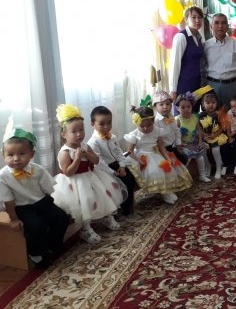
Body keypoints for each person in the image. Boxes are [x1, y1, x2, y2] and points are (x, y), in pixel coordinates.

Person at [52, 104, 125, 244]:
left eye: (81, 130)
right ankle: (85, 228)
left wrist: (87, 154)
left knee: (103, 195)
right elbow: (68, 172)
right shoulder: (65, 152)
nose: (79, 134)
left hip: (91, 176)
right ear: (63, 134)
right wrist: (77, 158)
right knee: (85, 202)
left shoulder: (85, 145)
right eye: (74, 131)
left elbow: (96, 160)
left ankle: (106, 217)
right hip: (75, 182)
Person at [0, 123, 70, 268]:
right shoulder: (3, 176)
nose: (16, 159)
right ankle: (36, 253)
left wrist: (49, 205)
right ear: (3, 155)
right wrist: (14, 219)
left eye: (22, 154)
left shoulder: (38, 170)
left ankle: (53, 243)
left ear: (31, 154)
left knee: (61, 217)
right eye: (10, 155)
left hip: (42, 201)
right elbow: (8, 200)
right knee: (36, 226)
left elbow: (48, 190)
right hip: (22, 207)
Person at [124, 101, 193, 205]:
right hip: (141, 156)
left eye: (149, 125)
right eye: (142, 126)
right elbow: (130, 152)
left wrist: (167, 157)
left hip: (156, 153)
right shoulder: (134, 135)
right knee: (155, 171)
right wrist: (138, 161)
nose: (146, 128)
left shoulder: (157, 131)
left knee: (168, 167)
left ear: (153, 121)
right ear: (137, 123)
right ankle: (163, 192)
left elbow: (161, 146)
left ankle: (167, 191)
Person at [87, 106, 137, 215]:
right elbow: (99, 162)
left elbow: (118, 152)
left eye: (109, 123)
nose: (106, 126)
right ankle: (116, 209)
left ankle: (127, 207)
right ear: (92, 124)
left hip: (117, 165)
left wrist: (122, 166)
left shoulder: (112, 137)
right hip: (105, 170)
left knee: (130, 179)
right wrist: (113, 172)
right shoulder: (93, 142)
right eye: (102, 124)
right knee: (114, 187)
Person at [203, 13, 236, 107]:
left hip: (232, 87)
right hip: (211, 87)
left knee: (233, 114)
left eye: (223, 23)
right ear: (211, 26)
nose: (220, 26)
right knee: (212, 115)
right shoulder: (205, 46)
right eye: (216, 23)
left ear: (228, 26)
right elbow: (201, 69)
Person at [169, 6, 207, 106]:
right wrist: (173, 90)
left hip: (197, 83)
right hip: (184, 84)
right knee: (183, 113)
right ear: (186, 19)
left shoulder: (199, 37)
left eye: (200, 17)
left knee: (194, 113)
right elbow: (174, 64)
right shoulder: (181, 37)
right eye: (193, 17)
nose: (197, 20)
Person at [174, 92, 211, 183]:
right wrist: (183, 145)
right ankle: (183, 177)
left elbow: (199, 131)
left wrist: (200, 142)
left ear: (192, 107)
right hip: (182, 144)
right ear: (177, 108)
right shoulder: (178, 120)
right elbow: (176, 136)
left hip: (193, 142)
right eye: (183, 107)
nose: (186, 109)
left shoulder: (194, 118)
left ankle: (202, 175)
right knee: (187, 159)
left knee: (200, 158)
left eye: (188, 107)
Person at [195, 86, 229, 180]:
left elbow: (222, 127)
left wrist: (215, 135)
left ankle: (219, 167)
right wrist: (204, 135)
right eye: (208, 103)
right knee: (204, 150)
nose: (211, 105)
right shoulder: (200, 116)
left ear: (217, 103)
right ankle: (208, 166)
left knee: (215, 149)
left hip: (217, 136)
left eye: (213, 102)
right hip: (205, 137)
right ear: (203, 104)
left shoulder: (218, 114)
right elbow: (198, 127)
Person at [153, 90, 187, 165]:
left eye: (168, 104)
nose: (165, 107)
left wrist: (178, 145)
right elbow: (158, 141)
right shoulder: (156, 121)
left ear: (171, 106)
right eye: (161, 104)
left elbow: (176, 131)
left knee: (183, 158)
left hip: (172, 146)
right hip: (162, 150)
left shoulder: (171, 117)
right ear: (155, 107)